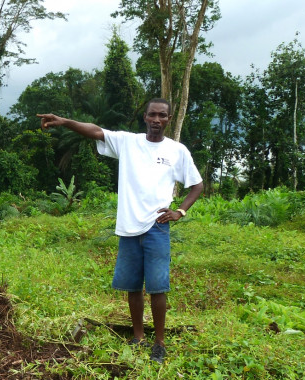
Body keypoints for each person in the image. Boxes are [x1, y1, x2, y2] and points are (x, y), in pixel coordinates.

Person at [38, 99, 203, 364]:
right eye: (152, 115)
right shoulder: (129, 142)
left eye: (162, 115)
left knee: (158, 288)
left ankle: (159, 343)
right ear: (145, 118)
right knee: (133, 286)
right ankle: (138, 336)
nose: (156, 120)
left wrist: (180, 211)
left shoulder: (177, 151)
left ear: (169, 119)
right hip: (128, 229)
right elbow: (95, 131)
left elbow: (196, 185)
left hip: (156, 228)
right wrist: (65, 122)